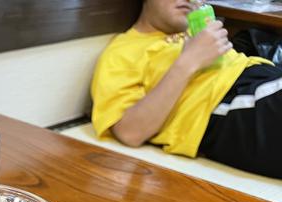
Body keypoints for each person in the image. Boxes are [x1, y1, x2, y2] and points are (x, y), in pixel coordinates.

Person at [91, 0, 282, 178]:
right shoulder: (122, 51)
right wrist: (189, 61)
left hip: (261, 82)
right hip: (231, 104)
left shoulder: (193, 32)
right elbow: (129, 132)